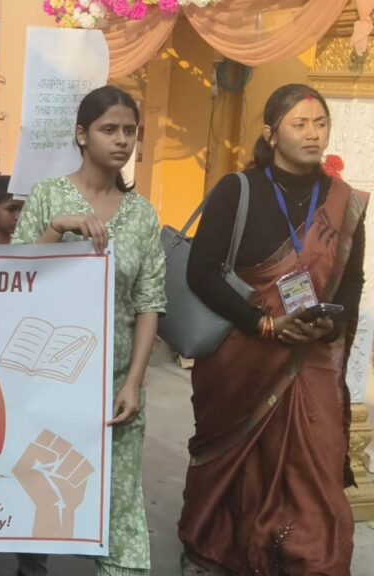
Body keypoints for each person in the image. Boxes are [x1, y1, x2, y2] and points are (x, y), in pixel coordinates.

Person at [179, 84, 366, 576]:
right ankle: (218, 551)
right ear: (270, 133)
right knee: (239, 466)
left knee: (315, 471)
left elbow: (352, 281)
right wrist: (263, 323)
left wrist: (329, 323)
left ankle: (307, 561)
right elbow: (201, 271)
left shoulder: (345, 203)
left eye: (320, 123)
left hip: (312, 359)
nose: (313, 133)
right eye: (299, 124)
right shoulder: (237, 191)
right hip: (241, 357)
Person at [12, 86, 166, 576]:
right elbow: (13, 279)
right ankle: (30, 563)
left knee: (118, 502)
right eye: (109, 129)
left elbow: (149, 303)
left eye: (129, 131)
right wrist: (56, 230)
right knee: (41, 485)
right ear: (82, 135)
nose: (121, 140)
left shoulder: (142, 215)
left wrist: (134, 381)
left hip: (113, 383)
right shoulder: (48, 197)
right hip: (47, 377)